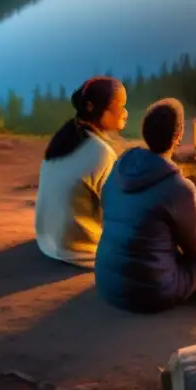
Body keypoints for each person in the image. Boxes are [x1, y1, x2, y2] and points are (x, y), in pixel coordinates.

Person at [96, 99, 196, 313]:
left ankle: (192, 278)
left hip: (108, 284)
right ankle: (195, 285)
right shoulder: (177, 186)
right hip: (155, 293)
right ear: (178, 135)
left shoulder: (118, 170)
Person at [35, 77, 127, 268]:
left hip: (47, 242)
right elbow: (115, 213)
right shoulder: (100, 152)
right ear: (95, 108)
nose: (125, 113)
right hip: (79, 251)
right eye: (120, 106)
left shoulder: (63, 138)